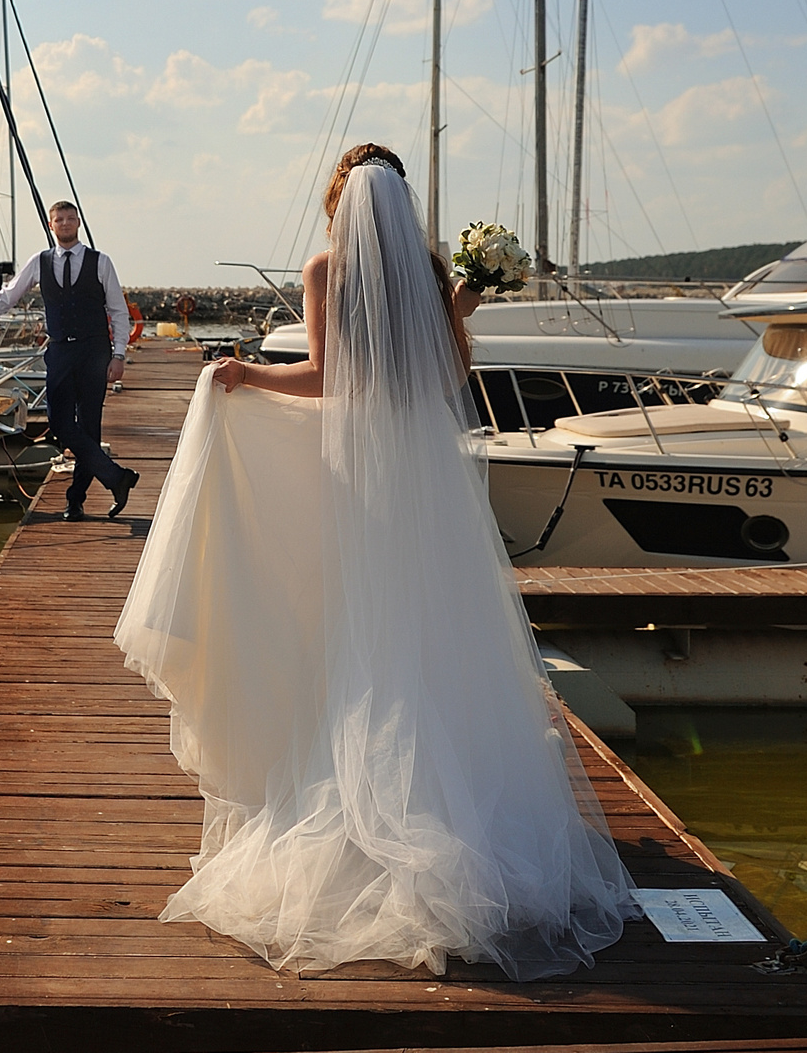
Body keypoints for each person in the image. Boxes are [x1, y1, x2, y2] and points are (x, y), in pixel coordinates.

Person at [114, 144, 634, 979]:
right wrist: (465, 299)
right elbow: (439, 375)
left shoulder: (329, 267)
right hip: (427, 481)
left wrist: (245, 371)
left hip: (359, 479)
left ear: (339, 203)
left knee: (358, 637)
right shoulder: (428, 275)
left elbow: (326, 378)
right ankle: (464, 815)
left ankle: (372, 811)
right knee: (436, 636)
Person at [0, 200, 141, 521]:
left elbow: (118, 312)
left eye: (70, 218)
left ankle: (75, 501)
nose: (65, 224)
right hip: (61, 350)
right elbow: (9, 296)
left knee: (89, 429)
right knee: (61, 424)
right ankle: (115, 477)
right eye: (59, 220)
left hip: (95, 351)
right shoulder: (40, 261)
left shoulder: (101, 262)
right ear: (51, 226)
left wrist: (119, 354)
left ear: (78, 222)